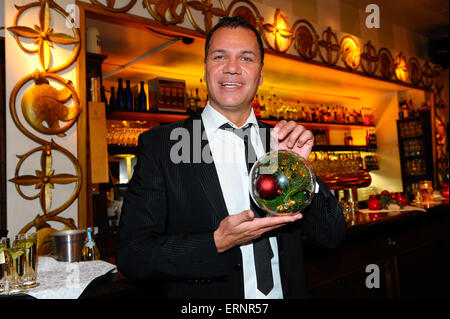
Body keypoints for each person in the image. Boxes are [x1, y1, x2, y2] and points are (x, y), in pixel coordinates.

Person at [117, 16, 346, 299]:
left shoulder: (279, 142)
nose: (232, 69)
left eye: (246, 58)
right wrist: (215, 242)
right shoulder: (163, 146)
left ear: (260, 75)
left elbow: (332, 235)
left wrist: (301, 172)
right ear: (205, 70)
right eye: (220, 56)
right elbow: (133, 255)